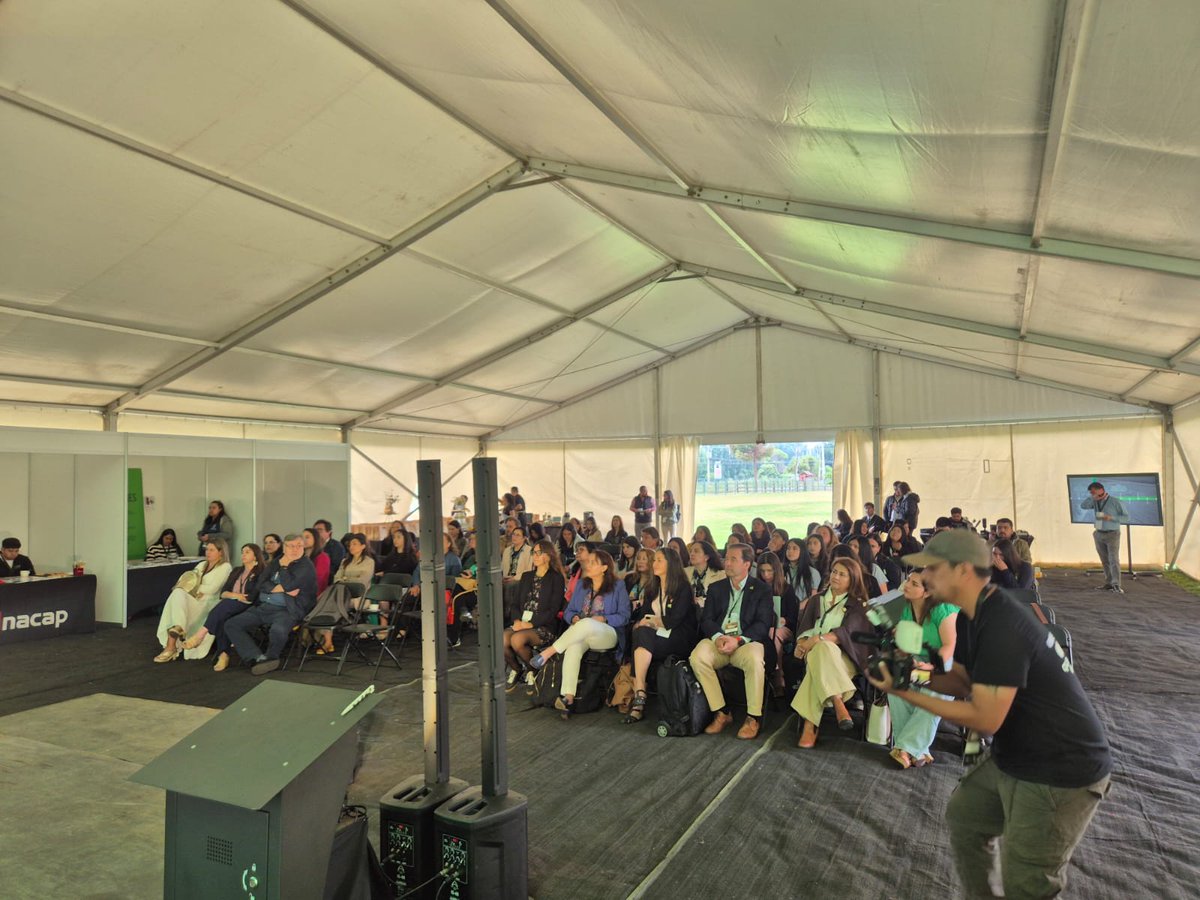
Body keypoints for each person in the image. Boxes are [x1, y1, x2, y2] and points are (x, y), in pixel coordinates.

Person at [869, 530, 1111, 898]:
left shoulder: (1000, 622)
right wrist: (913, 675)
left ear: (962, 570)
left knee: (1027, 884)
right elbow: (962, 681)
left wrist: (905, 691)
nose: (925, 579)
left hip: (1062, 771)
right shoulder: (972, 614)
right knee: (966, 817)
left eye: (932, 569)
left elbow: (984, 719)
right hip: (1018, 754)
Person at [529, 549, 631, 718]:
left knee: (586, 623)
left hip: (607, 634)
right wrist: (574, 617)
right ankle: (568, 698)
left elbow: (625, 616)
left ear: (604, 567)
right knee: (574, 648)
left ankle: (548, 653)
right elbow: (568, 612)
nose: (587, 565)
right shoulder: (582, 585)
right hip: (582, 633)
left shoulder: (618, 586)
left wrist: (604, 619)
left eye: (592, 562)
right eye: (587, 561)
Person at [689, 543, 774, 740]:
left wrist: (738, 640)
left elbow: (763, 624)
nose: (726, 563)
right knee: (698, 656)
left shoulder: (761, 590)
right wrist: (718, 637)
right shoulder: (716, 588)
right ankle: (722, 711)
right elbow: (707, 620)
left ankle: (753, 717)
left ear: (747, 564)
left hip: (746, 642)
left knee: (754, 659)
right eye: (726, 558)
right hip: (720, 640)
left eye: (733, 559)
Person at [791, 557, 872, 748]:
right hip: (815, 654)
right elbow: (803, 630)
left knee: (823, 649)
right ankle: (837, 700)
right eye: (834, 572)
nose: (836, 576)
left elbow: (846, 635)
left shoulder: (858, 604)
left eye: (842, 574)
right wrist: (802, 642)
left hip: (845, 659)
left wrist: (815, 640)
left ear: (852, 579)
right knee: (821, 650)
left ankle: (809, 726)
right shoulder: (816, 599)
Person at [885, 570, 957, 768]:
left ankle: (906, 748)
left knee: (932, 691)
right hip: (920, 660)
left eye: (914, 584)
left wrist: (931, 666)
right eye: (908, 580)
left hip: (949, 662)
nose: (907, 584)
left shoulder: (943, 609)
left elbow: (949, 646)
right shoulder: (905, 607)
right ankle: (915, 751)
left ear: (927, 593)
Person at [224, 533, 319, 675]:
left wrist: (285, 569)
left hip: (288, 610)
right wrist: (278, 588)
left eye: (299, 546)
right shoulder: (277, 561)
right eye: (291, 546)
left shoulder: (306, 566)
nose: (296, 549)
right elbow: (261, 582)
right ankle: (257, 657)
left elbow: (289, 585)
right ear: (284, 547)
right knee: (232, 624)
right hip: (264, 607)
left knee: (278, 630)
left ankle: (271, 657)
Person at [625, 547, 698, 723]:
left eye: (659, 560)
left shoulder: (683, 588)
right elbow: (643, 614)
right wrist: (646, 622)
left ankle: (639, 698)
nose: (653, 563)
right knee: (640, 633)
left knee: (642, 634)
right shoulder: (652, 587)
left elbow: (674, 620)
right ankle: (640, 692)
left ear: (670, 564)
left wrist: (650, 622)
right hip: (655, 637)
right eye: (654, 560)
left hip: (678, 637)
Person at [181, 543, 266, 671]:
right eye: (242, 552)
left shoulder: (261, 572)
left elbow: (251, 596)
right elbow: (224, 592)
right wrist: (236, 595)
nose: (243, 554)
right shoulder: (237, 570)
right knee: (224, 616)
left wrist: (234, 596)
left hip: (250, 606)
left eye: (247, 552)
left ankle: (200, 636)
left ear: (256, 555)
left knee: (224, 606)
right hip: (232, 604)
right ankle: (223, 655)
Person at [154, 539, 232, 662]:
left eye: (212, 550)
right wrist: (191, 587)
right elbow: (187, 579)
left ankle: (171, 646)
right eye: (207, 549)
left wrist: (194, 587)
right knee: (177, 592)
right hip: (195, 598)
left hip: (208, 602)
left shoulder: (225, 567)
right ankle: (178, 628)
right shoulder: (202, 564)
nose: (208, 552)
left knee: (178, 596)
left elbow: (212, 589)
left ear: (221, 552)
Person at [503, 540, 567, 689]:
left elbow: (553, 609)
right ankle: (517, 669)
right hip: (522, 623)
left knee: (517, 640)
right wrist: (517, 620)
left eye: (539, 552)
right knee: (503, 640)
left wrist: (530, 624)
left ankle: (533, 669)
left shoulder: (556, 578)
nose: (535, 556)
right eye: (534, 552)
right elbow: (515, 604)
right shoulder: (526, 577)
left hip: (544, 625)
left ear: (549, 555)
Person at [310, 533, 377, 655]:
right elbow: (337, 578)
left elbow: (362, 581)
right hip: (341, 595)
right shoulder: (345, 561)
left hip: (359, 597)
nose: (351, 546)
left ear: (363, 546)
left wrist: (345, 579)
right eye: (350, 544)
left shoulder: (369, 562)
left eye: (355, 544)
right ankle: (328, 641)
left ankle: (327, 641)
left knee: (330, 604)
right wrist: (350, 578)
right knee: (328, 604)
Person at [756, 551, 800, 696]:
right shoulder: (755, 587)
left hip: (783, 629)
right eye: (762, 571)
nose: (766, 575)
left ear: (776, 570)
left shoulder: (786, 589)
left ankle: (777, 673)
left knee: (773, 634)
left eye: (769, 571)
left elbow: (793, 618)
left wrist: (784, 620)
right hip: (762, 627)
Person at [1081, 481, 1129, 593]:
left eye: (1094, 491)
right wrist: (1092, 498)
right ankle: (1108, 583)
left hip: (1112, 533)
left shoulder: (1115, 502)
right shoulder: (1095, 501)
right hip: (1098, 533)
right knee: (1104, 560)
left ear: (1101, 490)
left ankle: (1116, 584)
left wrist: (1111, 517)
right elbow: (1083, 506)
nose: (1092, 493)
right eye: (1091, 492)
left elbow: (1126, 518)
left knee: (1113, 560)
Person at [685, 540, 727, 609]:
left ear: (706, 557)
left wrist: (699, 601)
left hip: (710, 611)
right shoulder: (685, 572)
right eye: (691, 551)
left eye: (696, 551)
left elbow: (719, 600)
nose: (692, 554)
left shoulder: (720, 575)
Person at [303, 527, 330, 594]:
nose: (303, 540)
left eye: (307, 537)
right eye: (302, 537)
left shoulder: (323, 557)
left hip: (315, 593)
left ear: (315, 539)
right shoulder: (301, 557)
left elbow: (319, 579)